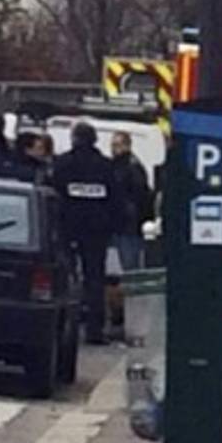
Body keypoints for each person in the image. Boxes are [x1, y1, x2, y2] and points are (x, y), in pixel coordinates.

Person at [53, 123, 121, 344]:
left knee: (65, 277)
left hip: (67, 227)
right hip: (96, 231)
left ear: (74, 139)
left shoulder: (63, 164)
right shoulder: (105, 166)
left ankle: (63, 328)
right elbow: (115, 199)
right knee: (95, 280)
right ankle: (94, 330)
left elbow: (54, 195)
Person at [110, 131, 152, 272]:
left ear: (127, 145)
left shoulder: (132, 167)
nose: (113, 148)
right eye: (113, 145)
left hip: (128, 225)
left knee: (129, 266)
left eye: (117, 145)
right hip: (118, 223)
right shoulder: (116, 165)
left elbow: (140, 195)